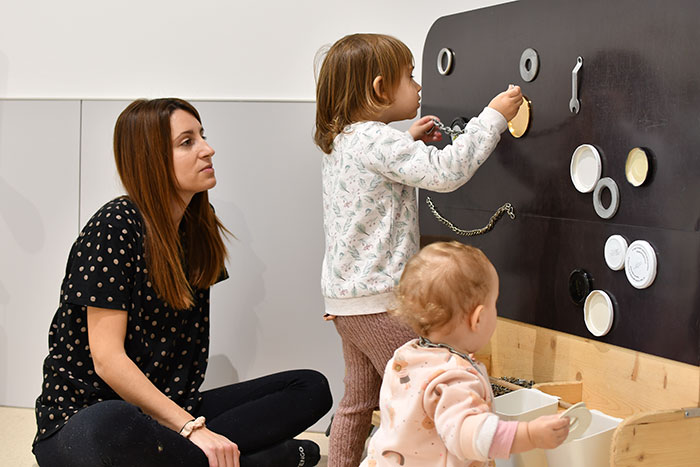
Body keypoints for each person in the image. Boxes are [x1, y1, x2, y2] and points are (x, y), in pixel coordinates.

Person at [32, 98, 332, 467]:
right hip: (84, 420)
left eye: (202, 136)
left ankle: (226, 458)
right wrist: (191, 428)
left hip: (169, 413)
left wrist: (187, 423)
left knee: (309, 387)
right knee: (111, 423)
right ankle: (262, 459)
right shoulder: (115, 225)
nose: (208, 149)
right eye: (187, 142)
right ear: (151, 159)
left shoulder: (197, 227)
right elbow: (108, 361)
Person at [313, 33, 523, 466]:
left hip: (346, 300)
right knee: (424, 391)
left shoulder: (346, 141)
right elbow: (446, 172)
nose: (419, 85)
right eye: (409, 76)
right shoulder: (379, 142)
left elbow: (372, 182)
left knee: (358, 400)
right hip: (382, 302)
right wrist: (492, 119)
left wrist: (406, 139)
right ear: (378, 89)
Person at [360, 241, 570, 466]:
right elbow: (471, 435)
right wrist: (530, 434)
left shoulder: (404, 356)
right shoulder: (454, 377)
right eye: (495, 303)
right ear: (477, 319)